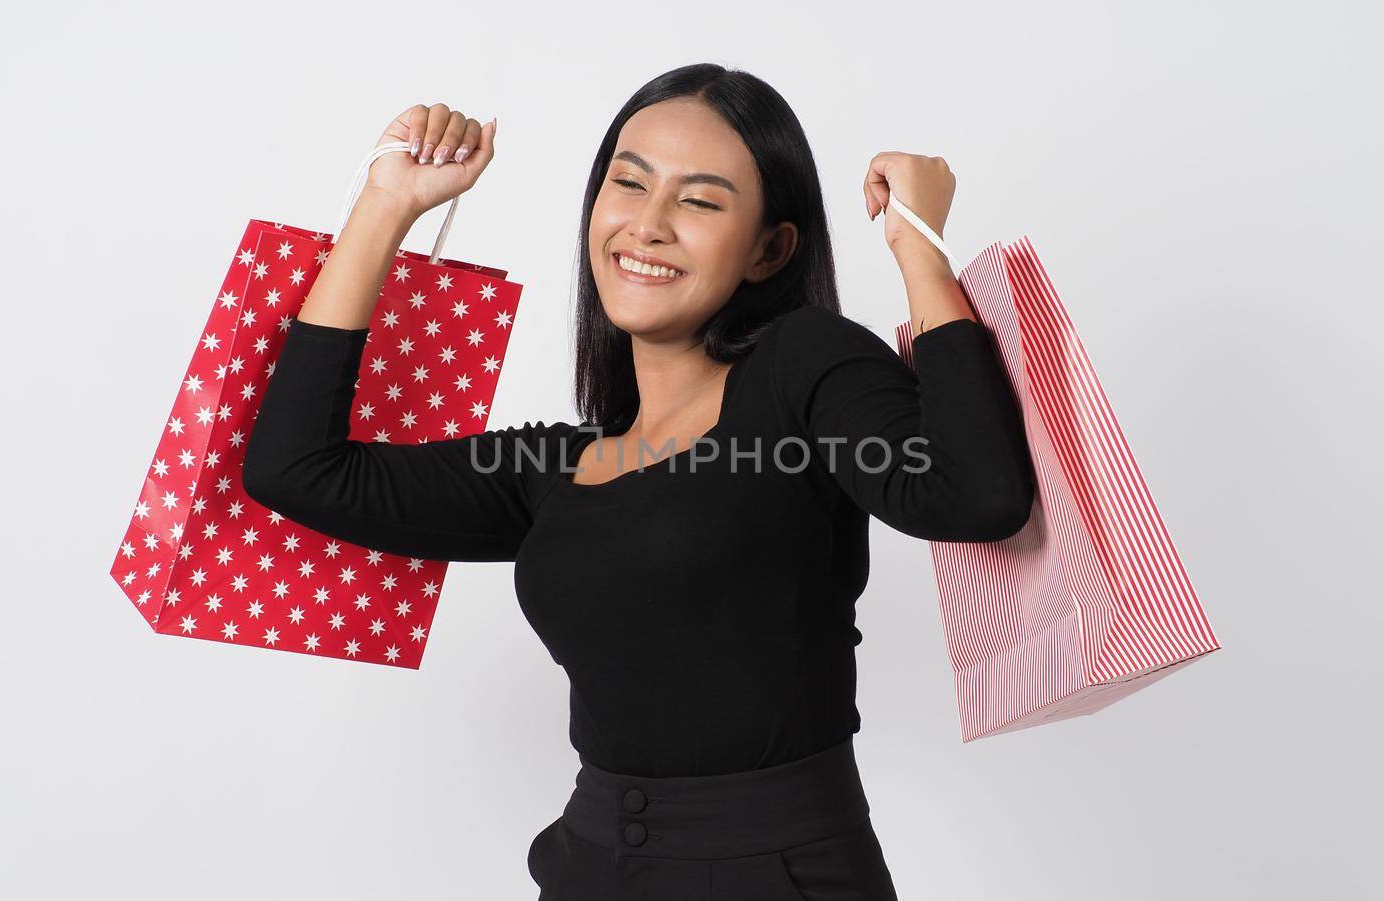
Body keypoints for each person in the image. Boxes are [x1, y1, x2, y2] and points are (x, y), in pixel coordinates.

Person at [243, 63, 1036, 901]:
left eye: (699, 201)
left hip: (780, 876)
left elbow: (974, 493)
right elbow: (297, 469)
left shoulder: (801, 368)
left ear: (771, 247)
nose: (648, 225)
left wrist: (918, 243)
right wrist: (386, 205)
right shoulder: (553, 467)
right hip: (589, 867)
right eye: (628, 185)